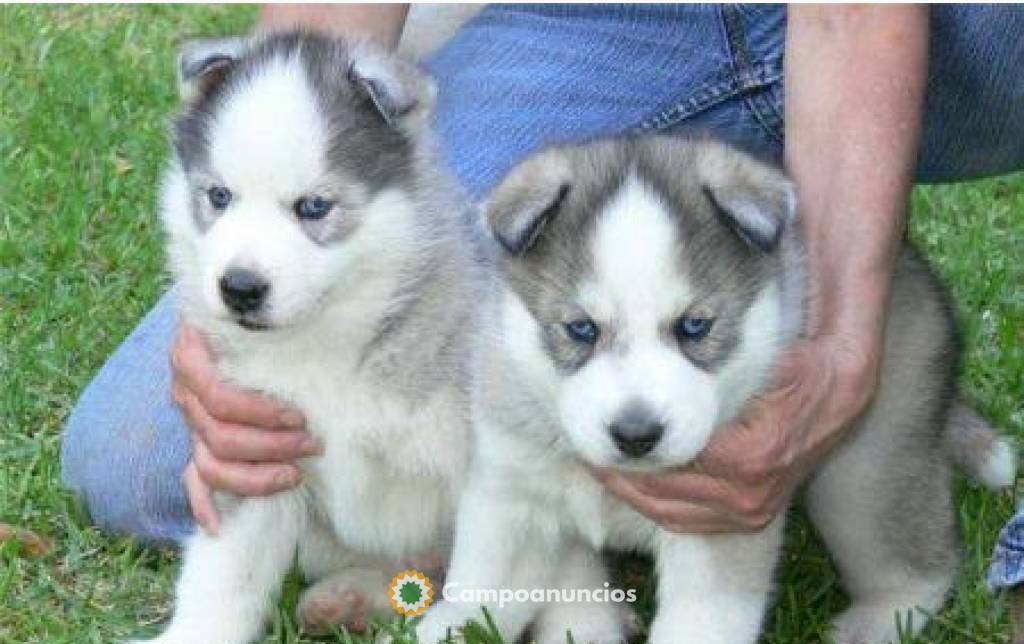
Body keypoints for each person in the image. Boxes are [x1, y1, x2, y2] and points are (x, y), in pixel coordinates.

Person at [62, 4, 1024, 543]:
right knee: (144, 460)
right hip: (603, 20)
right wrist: (235, 288)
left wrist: (846, 353)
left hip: (964, 26)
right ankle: (504, 558)